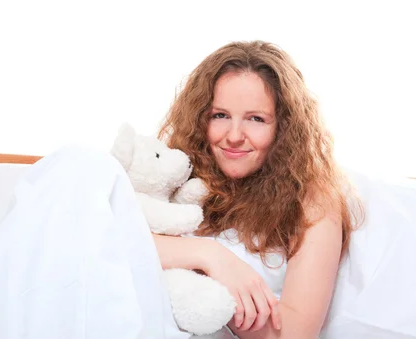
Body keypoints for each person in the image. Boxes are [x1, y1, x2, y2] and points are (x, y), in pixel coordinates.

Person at [154, 40, 364, 338]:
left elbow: (294, 333)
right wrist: (210, 257)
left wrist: (218, 296)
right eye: (220, 115)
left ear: (284, 127)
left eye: (256, 119)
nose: (234, 136)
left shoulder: (312, 199)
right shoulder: (175, 170)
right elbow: (110, 235)